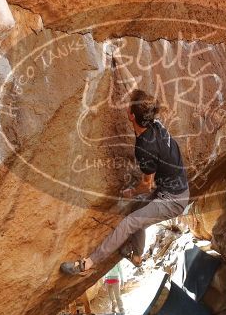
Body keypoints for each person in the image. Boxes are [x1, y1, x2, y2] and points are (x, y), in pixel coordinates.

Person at [61, 89, 190, 275]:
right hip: (174, 187)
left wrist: (132, 192)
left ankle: (87, 264)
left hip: (173, 200)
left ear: (131, 116)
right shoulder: (156, 124)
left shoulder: (145, 148)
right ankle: (136, 257)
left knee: (129, 223)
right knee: (138, 213)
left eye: (129, 107)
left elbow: (147, 185)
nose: (127, 107)